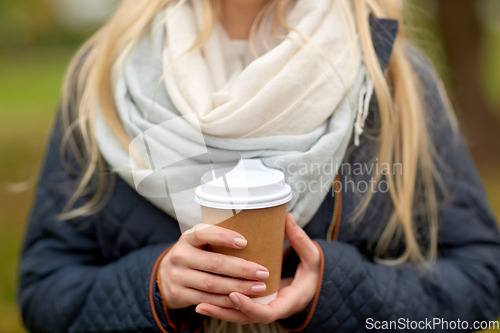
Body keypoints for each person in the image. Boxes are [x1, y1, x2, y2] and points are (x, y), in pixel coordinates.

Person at [18, 0, 500, 332]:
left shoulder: (392, 77)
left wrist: (332, 291)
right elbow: (44, 294)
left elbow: (480, 290)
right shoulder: (103, 76)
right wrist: (158, 283)